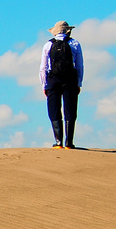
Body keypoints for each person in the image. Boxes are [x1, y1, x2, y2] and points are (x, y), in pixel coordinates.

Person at [40, 20, 84, 149]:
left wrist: (44, 84)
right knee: (70, 110)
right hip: (70, 79)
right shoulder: (74, 43)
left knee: (54, 109)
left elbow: (43, 67)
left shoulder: (48, 45)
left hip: (53, 80)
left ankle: (58, 142)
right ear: (68, 31)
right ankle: (69, 142)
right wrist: (79, 82)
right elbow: (80, 65)